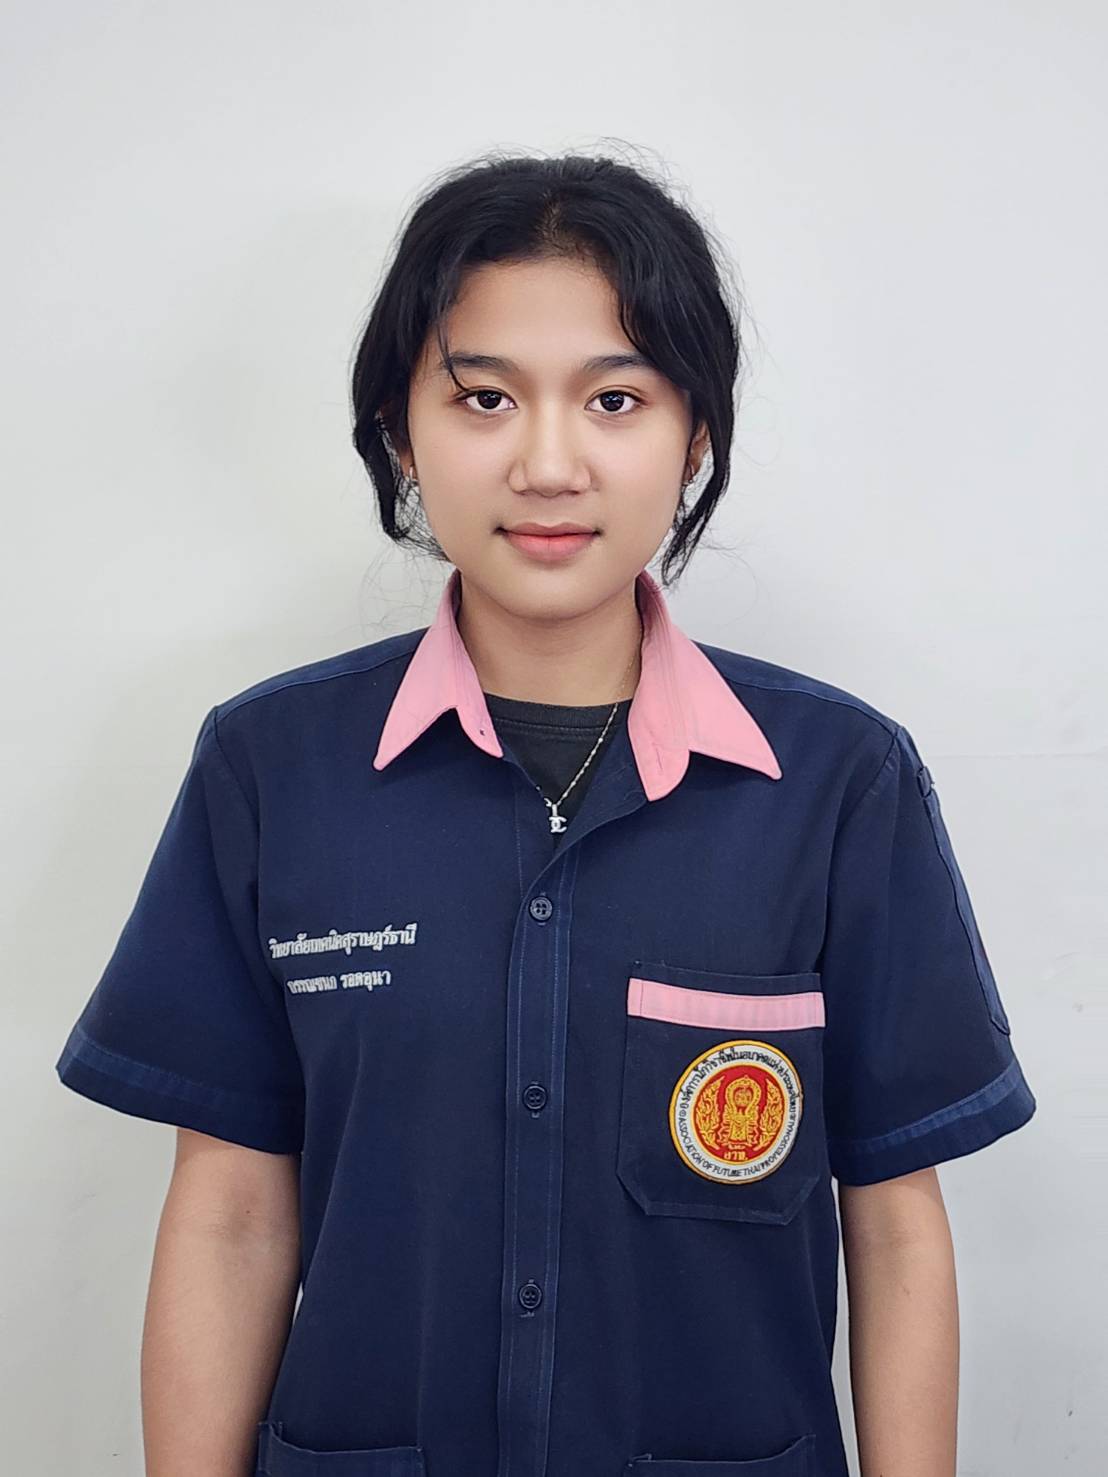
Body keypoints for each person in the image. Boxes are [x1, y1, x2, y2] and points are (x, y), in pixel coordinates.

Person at [56, 149, 1037, 1477]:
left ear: (696, 437)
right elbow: (230, 1208)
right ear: (402, 434)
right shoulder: (270, 770)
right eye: (484, 399)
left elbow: (896, 1218)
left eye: (616, 398)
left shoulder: (838, 783)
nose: (549, 462)